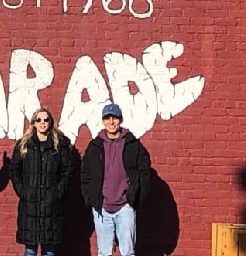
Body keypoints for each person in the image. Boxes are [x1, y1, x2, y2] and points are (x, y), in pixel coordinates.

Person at [81, 103, 151, 256]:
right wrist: (91, 200)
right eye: (107, 118)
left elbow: (144, 173)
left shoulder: (133, 144)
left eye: (115, 118)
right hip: (102, 208)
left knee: (128, 252)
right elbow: (85, 174)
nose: (111, 122)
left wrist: (133, 200)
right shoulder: (95, 146)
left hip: (125, 207)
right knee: (104, 252)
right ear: (103, 120)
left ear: (120, 120)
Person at [10, 107, 72, 256]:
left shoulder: (60, 145)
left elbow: (67, 171)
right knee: (30, 250)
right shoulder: (24, 145)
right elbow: (14, 170)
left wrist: (57, 193)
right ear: (33, 123)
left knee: (49, 250)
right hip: (29, 206)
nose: (42, 123)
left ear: (51, 122)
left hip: (51, 206)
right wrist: (23, 191)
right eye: (39, 120)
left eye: (46, 119)